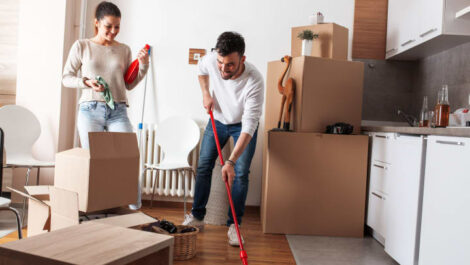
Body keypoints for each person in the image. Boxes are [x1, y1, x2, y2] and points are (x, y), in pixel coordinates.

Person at [183, 32, 264, 246]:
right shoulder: (212, 59)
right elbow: (201, 71)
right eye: (220, 63)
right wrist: (205, 94)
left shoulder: (254, 81)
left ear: (242, 60)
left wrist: (230, 161)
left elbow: (250, 125)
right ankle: (197, 216)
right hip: (217, 119)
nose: (223, 69)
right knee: (203, 166)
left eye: (230, 65)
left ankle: (234, 226)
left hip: (242, 126)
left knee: (240, 174)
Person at [62, 1, 149, 149]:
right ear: (97, 23)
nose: (113, 31)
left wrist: (143, 65)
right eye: (108, 26)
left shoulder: (124, 50)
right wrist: (86, 83)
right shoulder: (82, 46)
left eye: (117, 26)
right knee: (94, 159)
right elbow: (66, 78)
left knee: (126, 154)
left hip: (118, 111)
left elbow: (128, 84)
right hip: (90, 110)